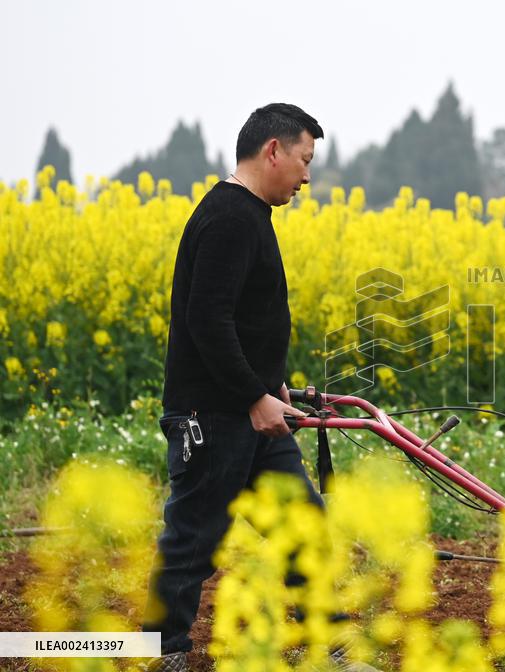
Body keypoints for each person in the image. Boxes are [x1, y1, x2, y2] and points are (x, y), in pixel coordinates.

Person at [142, 103, 338, 672]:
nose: (306, 176)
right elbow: (207, 319)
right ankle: (163, 654)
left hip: (252, 410)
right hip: (215, 415)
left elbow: (241, 318)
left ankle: (329, 644)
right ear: (272, 151)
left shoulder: (249, 215)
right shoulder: (230, 217)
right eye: (303, 160)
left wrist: (270, 386)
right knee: (192, 541)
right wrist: (254, 396)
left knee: (304, 524)